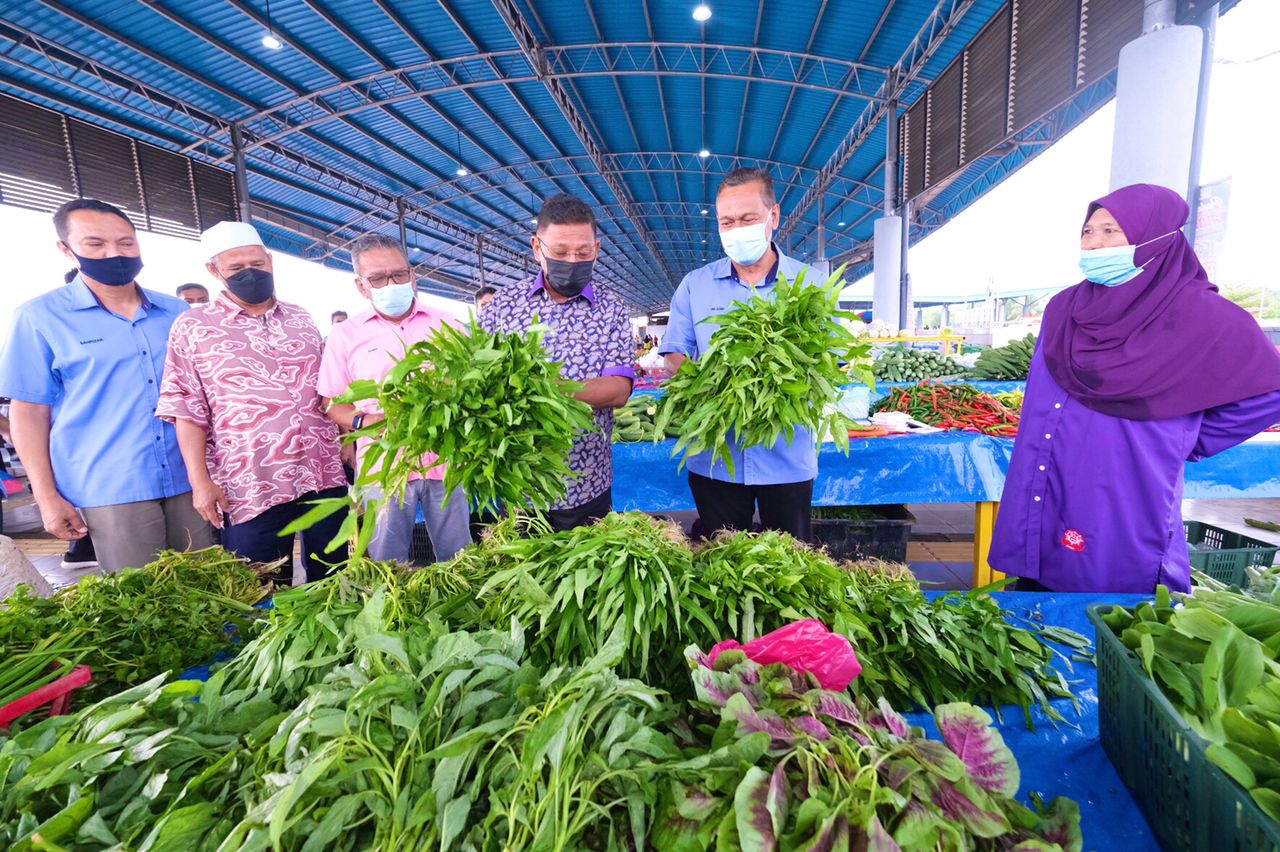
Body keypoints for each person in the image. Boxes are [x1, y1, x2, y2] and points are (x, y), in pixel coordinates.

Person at [989, 183, 1280, 594]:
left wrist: (1188, 437)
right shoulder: (1065, 307)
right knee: (1039, 574)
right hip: (1046, 465)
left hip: (1125, 473)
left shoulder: (1203, 315)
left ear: (1156, 236)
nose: (1094, 243)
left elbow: (1271, 389)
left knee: (1113, 589)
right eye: (1088, 231)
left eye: (1111, 230)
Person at [0, 198, 213, 573]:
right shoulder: (40, 318)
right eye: (95, 244)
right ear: (66, 250)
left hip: (189, 477)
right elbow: (29, 413)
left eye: (126, 242)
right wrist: (47, 497)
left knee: (211, 586)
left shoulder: (176, 314)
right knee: (143, 602)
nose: (115, 253)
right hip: (111, 484)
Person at [156, 221, 347, 584]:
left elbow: (330, 390)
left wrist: (347, 440)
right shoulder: (194, 327)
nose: (250, 273)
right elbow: (186, 409)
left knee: (334, 574)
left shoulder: (301, 318)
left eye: (257, 265)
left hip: (322, 471)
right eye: (236, 268)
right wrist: (201, 482)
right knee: (261, 586)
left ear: (270, 261)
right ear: (214, 271)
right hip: (250, 483)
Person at [660, 168, 817, 541]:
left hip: (787, 455)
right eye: (726, 222)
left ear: (773, 216)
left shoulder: (809, 284)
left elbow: (826, 360)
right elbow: (674, 355)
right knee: (723, 561)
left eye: (747, 219)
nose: (736, 229)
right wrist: (713, 388)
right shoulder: (695, 286)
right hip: (717, 457)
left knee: (790, 566)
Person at [479, 194, 634, 530]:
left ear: (597, 248)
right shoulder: (503, 306)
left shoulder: (611, 308)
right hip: (520, 483)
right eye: (561, 253)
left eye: (582, 253)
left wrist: (545, 389)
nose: (572, 260)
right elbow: (479, 378)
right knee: (524, 575)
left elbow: (619, 389)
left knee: (587, 576)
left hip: (586, 482)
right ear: (537, 247)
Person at [318, 234, 472, 563]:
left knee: (459, 557)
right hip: (383, 468)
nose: (392, 283)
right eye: (378, 278)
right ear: (362, 286)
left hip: (446, 463)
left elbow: (474, 388)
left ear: (412, 274)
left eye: (399, 274)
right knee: (387, 563)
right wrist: (364, 421)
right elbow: (331, 403)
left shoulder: (450, 325)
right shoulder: (345, 336)